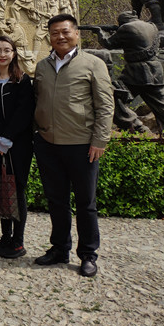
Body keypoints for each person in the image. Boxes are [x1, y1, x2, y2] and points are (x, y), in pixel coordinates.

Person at [33, 14, 113, 277]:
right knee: (56, 200)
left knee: (85, 202)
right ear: (49, 37)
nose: (60, 37)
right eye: (55, 33)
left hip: (82, 145)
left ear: (76, 33)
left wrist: (100, 140)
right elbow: (38, 100)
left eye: (65, 31)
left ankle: (88, 254)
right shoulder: (43, 66)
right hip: (48, 144)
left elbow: (105, 105)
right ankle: (59, 248)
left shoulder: (93, 64)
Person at [0, 36, 35, 259]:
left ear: (14, 53)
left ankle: (18, 241)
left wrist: (7, 138)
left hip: (17, 146)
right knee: (0, 188)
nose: (2, 54)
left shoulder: (22, 81)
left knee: (16, 189)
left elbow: (24, 112)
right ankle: (5, 237)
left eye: (7, 50)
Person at [93, 11, 164, 133]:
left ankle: (136, 127)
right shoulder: (152, 26)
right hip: (154, 71)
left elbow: (108, 43)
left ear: (122, 22)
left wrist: (100, 32)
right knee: (162, 106)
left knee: (113, 95)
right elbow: (137, 42)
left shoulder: (126, 28)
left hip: (137, 73)